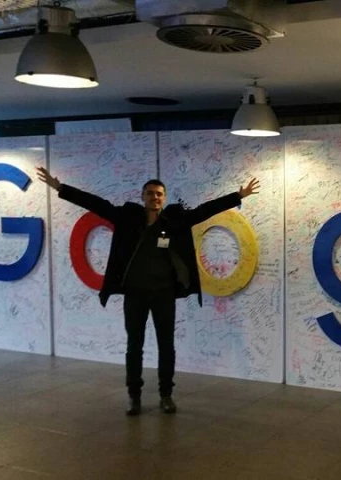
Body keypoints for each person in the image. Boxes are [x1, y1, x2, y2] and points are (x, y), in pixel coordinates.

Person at [37, 166, 259, 416]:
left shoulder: (174, 221)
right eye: (151, 193)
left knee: (166, 346)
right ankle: (134, 396)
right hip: (135, 294)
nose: (155, 197)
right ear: (143, 196)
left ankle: (166, 395)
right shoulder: (128, 218)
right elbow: (96, 204)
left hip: (164, 294)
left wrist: (238, 196)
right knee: (134, 346)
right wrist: (60, 188)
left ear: (164, 198)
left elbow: (204, 211)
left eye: (159, 194)